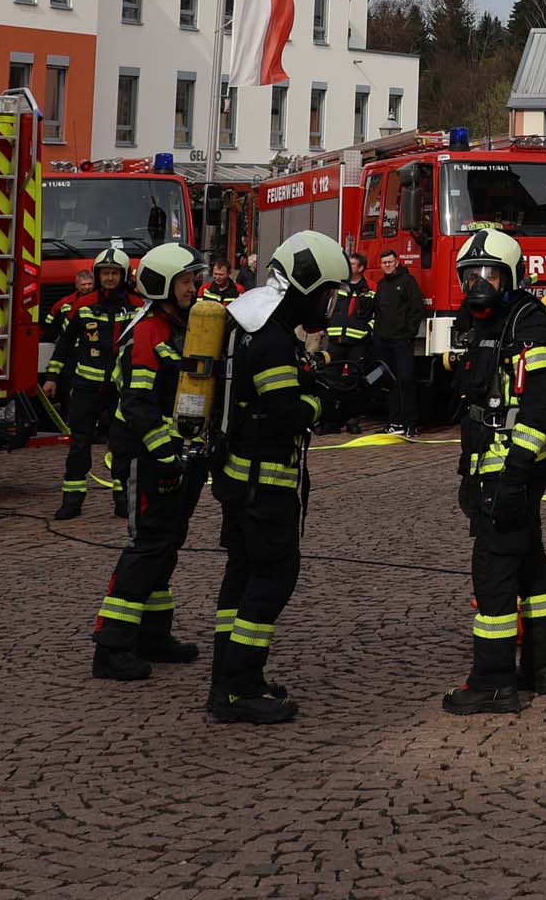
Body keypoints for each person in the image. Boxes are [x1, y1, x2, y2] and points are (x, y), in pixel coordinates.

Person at [206, 228, 344, 725]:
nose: (327, 305)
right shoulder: (272, 338)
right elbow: (286, 414)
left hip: (238, 479)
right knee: (273, 578)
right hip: (264, 486)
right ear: (307, 286)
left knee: (242, 575)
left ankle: (226, 679)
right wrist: (324, 403)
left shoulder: (248, 319)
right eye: (326, 294)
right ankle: (239, 689)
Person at [445, 224, 546, 715]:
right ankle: (542, 666)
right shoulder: (481, 323)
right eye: (469, 274)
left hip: (511, 467)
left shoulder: (528, 323)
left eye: (489, 274)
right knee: (529, 562)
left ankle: (492, 682)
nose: (478, 283)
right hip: (489, 465)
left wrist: (514, 476)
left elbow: (540, 409)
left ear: (511, 276)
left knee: (493, 573)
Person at [92, 243, 212, 681]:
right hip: (147, 456)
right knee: (147, 547)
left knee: (166, 544)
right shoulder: (148, 332)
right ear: (162, 284)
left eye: (194, 280)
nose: (193, 288)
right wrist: (166, 454)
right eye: (185, 281)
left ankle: (153, 634)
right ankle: (110, 646)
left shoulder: (179, 325)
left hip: (173, 456)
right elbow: (138, 404)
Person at [43, 242, 139, 518]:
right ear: (97, 276)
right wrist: (52, 377)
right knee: (79, 443)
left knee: (122, 444)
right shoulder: (83, 306)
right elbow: (64, 344)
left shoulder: (136, 307)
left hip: (121, 389)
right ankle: (72, 500)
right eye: (105, 273)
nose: (109, 278)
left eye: (114, 273)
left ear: (124, 276)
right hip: (86, 386)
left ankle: (123, 500)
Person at [373, 246, 428, 438]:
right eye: (384, 263)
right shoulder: (381, 285)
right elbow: (378, 311)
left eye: (390, 262)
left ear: (397, 262)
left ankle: (411, 424)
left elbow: (417, 308)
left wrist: (408, 333)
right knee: (390, 382)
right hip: (384, 341)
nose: (387, 265)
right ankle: (394, 422)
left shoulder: (407, 281)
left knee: (406, 380)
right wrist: (378, 335)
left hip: (402, 341)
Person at [320, 256, 377, 429]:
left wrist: (367, 330)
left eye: (352, 264)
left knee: (355, 381)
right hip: (336, 339)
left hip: (358, 342)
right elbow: (326, 306)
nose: (348, 266)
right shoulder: (338, 285)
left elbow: (378, 314)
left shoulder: (371, 288)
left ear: (361, 268)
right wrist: (327, 326)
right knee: (330, 379)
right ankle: (330, 421)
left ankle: (352, 419)